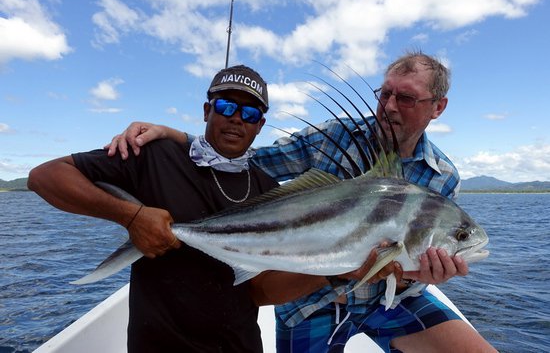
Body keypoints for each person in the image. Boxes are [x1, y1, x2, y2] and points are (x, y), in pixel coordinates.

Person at [104, 52, 497, 353]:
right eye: (386, 93)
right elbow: (244, 159)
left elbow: (414, 254)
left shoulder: (442, 175)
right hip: (312, 301)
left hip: (387, 300)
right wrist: (177, 138)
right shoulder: (334, 137)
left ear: (437, 107)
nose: (390, 106)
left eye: (407, 98)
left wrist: (425, 273)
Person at [28, 64, 381, 353]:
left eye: (250, 112)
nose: (236, 119)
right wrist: (131, 216)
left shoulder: (269, 192)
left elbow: (259, 292)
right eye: (226, 106)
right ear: (206, 110)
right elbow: (45, 177)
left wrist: (338, 270)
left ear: (260, 124)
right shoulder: (156, 155)